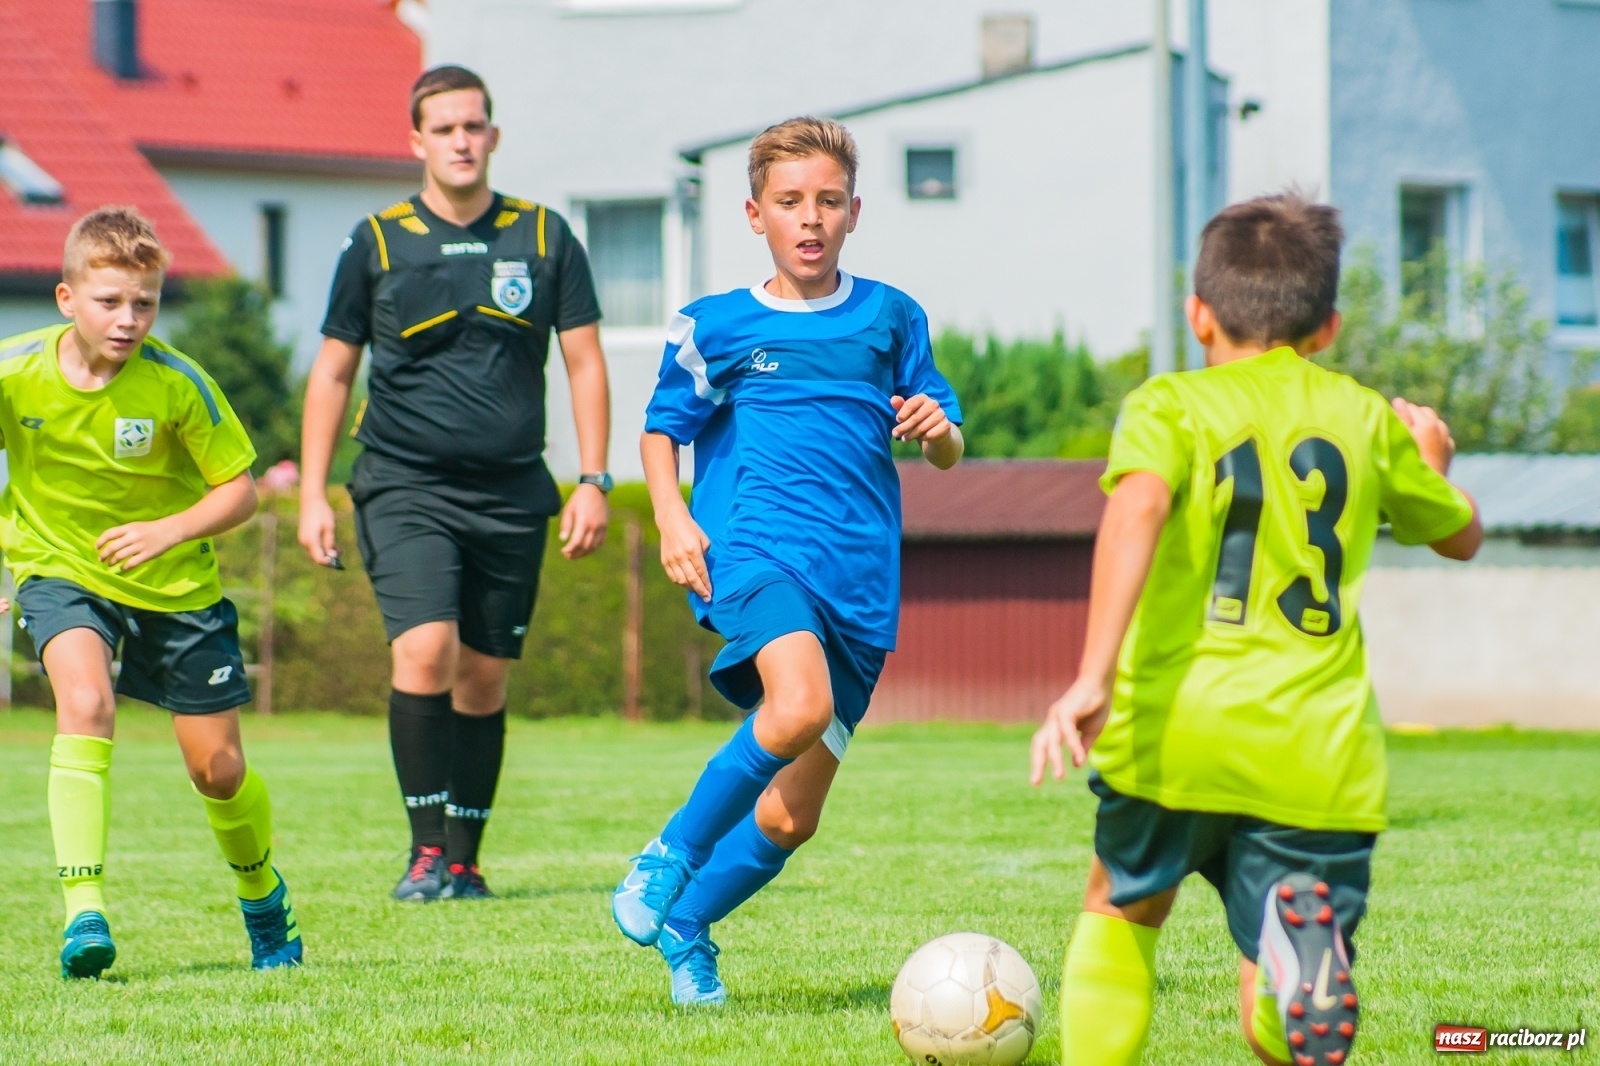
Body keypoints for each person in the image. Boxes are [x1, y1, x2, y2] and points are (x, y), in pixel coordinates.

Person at [1030, 192, 1484, 1066]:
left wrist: (1092, 675)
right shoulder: (1359, 417)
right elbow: (1458, 534)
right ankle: (1289, 968)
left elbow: (1139, 507)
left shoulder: (1168, 406)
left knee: (1121, 904)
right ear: (1329, 327)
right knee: (1272, 993)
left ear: (1197, 312)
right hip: (1316, 747)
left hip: (1175, 726)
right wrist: (1433, 464)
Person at [612, 116, 964, 1005]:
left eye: (828, 202)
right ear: (754, 214)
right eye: (790, 202)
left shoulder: (891, 317)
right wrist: (672, 519)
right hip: (758, 556)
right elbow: (661, 431)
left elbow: (948, 440)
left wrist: (937, 431)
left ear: (854, 214)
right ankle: (669, 856)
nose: (810, 219)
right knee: (796, 704)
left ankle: (689, 927)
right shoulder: (716, 324)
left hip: (862, 589)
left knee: (790, 816)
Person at [300, 65, 612, 902]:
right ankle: (425, 851)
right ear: (417, 142)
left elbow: (584, 364)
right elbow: (332, 372)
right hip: (403, 482)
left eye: (473, 127)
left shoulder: (545, 239)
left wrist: (593, 479)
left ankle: (466, 859)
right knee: (425, 648)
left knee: (483, 676)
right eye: (444, 129)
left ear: (493, 137)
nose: (461, 142)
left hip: (512, 490)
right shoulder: (376, 240)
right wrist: (310, 493)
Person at [2, 207, 300, 978]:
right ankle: (84, 914)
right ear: (68, 298)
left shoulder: (178, 385)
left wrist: (166, 530)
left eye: (145, 302)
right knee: (85, 703)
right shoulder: (14, 370)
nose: (129, 319)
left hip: (174, 585)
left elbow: (240, 494)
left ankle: (262, 896)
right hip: (59, 565)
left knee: (217, 770)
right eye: (110, 302)